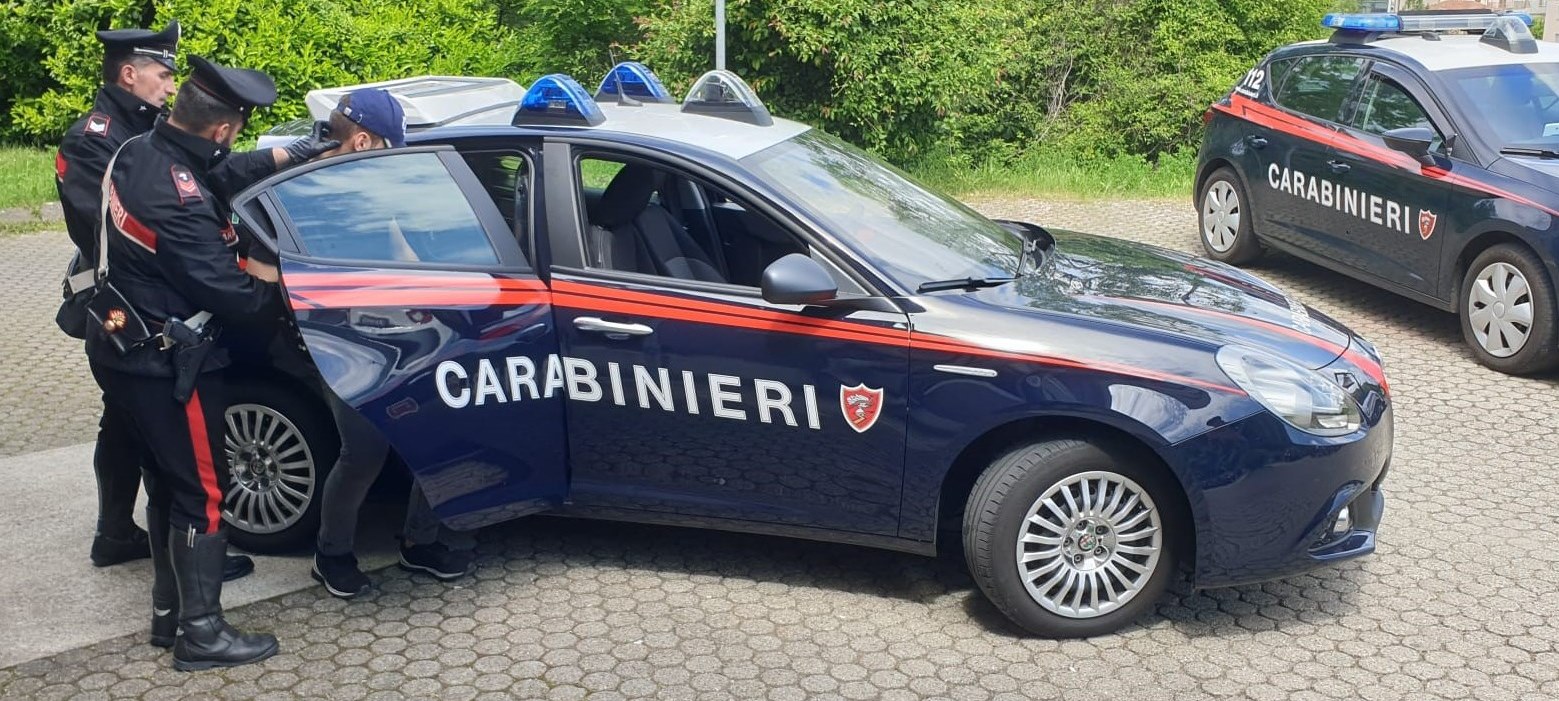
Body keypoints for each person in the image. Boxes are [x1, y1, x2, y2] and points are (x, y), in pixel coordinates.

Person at [56, 21, 332, 579]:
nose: (168, 85)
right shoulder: (94, 139)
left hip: (153, 315)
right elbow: (108, 231)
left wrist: (289, 155)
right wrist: (228, 263)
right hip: (137, 317)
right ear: (129, 74)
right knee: (163, 452)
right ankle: (152, 556)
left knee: (147, 443)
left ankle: (151, 564)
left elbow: (214, 169)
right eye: (161, 74)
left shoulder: (154, 134)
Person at [87, 56, 293, 671]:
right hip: (172, 364)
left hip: (119, 346)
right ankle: (201, 635)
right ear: (223, 128)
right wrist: (272, 270)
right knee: (205, 493)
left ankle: (168, 614)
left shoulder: (136, 151)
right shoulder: (179, 198)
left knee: (167, 481)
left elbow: (219, 171)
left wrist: (292, 154)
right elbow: (240, 300)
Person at [306, 88, 478, 600]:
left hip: (398, 334)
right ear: (362, 141)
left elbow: (400, 249)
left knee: (436, 438)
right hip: (344, 344)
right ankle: (331, 555)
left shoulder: (370, 190)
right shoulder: (308, 195)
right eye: (388, 146)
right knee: (363, 452)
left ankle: (420, 542)